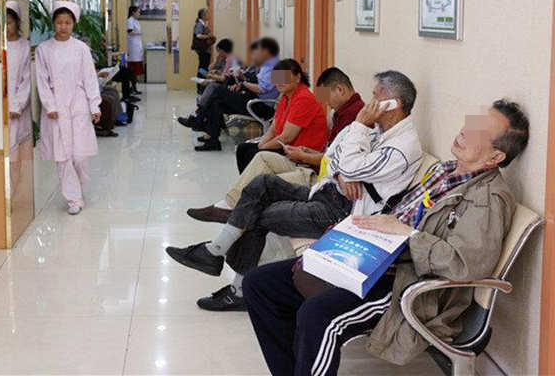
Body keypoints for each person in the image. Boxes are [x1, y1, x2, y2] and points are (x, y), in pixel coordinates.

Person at [243, 99, 529, 376]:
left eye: (480, 131)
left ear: (495, 157)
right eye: (472, 122)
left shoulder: (487, 200)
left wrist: (409, 235)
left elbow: (464, 265)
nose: (466, 130)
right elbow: (401, 215)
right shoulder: (444, 171)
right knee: (259, 284)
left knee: (317, 316)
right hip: (374, 259)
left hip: (404, 282)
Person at [166, 71, 422, 311]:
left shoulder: (399, 146)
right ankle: (214, 251)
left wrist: (356, 138)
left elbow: (343, 159)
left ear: (394, 104)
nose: (370, 103)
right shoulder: (376, 129)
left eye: (376, 97)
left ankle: (236, 286)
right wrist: (342, 173)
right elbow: (334, 154)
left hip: (341, 210)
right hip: (327, 190)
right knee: (262, 183)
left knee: (259, 213)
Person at [187, 67, 365, 223]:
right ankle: (229, 204)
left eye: (282, 79)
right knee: (254, 153)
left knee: (253, 159)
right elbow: (274, 126)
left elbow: (290, 138)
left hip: (316, 171)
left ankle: (236, 208)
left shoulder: (347, 114)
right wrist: (265, 144)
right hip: (306, 155)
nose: (278, 84)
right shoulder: (289, 98)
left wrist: (301, 154)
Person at [36, 1, 101, 215]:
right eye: (59, 22)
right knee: (63, 155)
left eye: (67, 22)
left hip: (79, 103)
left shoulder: (81, 48)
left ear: (74, 24)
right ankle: (73, 198)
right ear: (53, 23)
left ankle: (78, 189)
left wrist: (94, 105)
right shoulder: (44, 49)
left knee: (79, 155)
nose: (63, 26)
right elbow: (42, 80)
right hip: (56, 107)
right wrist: (50, 105)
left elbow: (89, 77)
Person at [186, 37, 281, 152]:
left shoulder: (275, 66)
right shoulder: (266, 64)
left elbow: (261, 89)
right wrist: (242, 80)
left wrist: (243, 84)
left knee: (218, 90)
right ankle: (212, 140)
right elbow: (259, 82)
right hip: (253, 98)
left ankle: (199, 120)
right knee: (217, 103)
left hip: (261, 106)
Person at [235, 58, 329, 172]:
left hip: (300, 153)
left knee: (253, 154)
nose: (279, 82)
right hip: (286, 147)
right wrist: (261, 145)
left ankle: (253, 182)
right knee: (242, 149)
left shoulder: (304, 99)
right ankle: (249, 182)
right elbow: (273, 128)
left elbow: (286, 138)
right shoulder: (286, 97)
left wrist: (262, 148)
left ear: (298, 78)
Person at [5, 1, 32, 195]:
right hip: (0, 108)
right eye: (3, 23)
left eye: (9, 23)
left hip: (17, 110)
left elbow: (26, 80)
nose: (6, 27)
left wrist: (17, 105)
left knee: (15, 155)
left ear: (17, 23)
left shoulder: (24, 47)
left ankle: (13, 192)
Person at [192, 8, 216, 79]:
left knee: (204, 67)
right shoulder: (199, 24)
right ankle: (200, 83)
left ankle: (202, 82)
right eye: (207, 13)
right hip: (203, 49)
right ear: (203, 15)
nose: (209, 15)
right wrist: (209, 36)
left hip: (205, 50)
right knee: (203, 67)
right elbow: (198, 35)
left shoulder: (204, 24)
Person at [126, 6, 143, 95]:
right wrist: (138, 33)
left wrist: (138, 33)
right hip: (133, 49)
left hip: (137, 48)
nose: (139, 14)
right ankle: (132, 88)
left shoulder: (136, 21)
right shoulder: (130, 20)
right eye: (138, 12)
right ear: (133, 12)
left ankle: (134, 88)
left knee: (135, 71)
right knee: (132, 70)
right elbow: (130, 32)